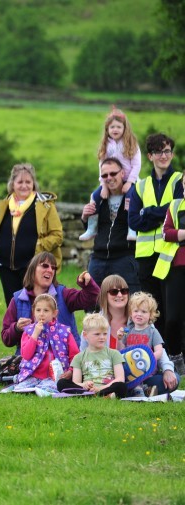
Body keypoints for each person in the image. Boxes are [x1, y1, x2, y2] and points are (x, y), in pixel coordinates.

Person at [128, 133, 183, 350]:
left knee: (172, 309)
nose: (164, 156)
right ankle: (156, 353)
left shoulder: (179, 180)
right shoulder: (141, 186)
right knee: (151, 308)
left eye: (167, 151)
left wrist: (148, 211)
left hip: (169, 253)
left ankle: (173, 352)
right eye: (159, 152)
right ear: (150, 156)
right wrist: (160, 213)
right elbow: (134, 221)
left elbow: (176, 210)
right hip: (145, 255)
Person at [0, 163, 63, 307]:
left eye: (28, 182)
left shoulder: (45, 206)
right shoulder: (3, 206)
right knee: (13, 307)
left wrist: (36, 246)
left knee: (35, 308)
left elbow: (57, 235)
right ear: (12, 184)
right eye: (20, 182)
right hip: (6, 267)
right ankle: (16, 331)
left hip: (34, 267)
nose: (24, 186)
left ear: (34, 184)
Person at [85, 274, 180, 395]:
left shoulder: (142, 321)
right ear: (104, 295)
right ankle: (133, 390)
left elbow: (160, 352)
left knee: (174, 378)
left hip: (143, 374)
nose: (120, 295)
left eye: (124, 291)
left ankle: (128, 391)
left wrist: (167, 370)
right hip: (108, 374)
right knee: (119, 384)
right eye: (114, 292)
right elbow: (85, 352)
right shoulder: (96, 321)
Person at [1, 252, 99, 353]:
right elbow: (6, 338)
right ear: (32, 269)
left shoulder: (63, 294)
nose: (50, 270)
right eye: (45, 266)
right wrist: (17, 328)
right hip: (29, 362)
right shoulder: (18, 299)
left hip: (64, 359)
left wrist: (87, 282)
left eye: (53, 268)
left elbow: (94, 298)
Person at [80, 106, 141, 241]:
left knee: (132, 199)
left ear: (125, 128)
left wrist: (130, 182)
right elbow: (102, 165)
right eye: (112, 127)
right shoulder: (106, 144)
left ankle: (132, 229)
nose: (115, 130)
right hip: (109, 180)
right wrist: (104, 185)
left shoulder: (131, 143)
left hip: (129, 180)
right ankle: (91, 228)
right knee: (95, 196)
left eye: (119, 127)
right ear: (107, 129)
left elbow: (137, 165)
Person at [81, 158, 140, 293]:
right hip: (98, 259)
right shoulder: (98, 197)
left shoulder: (136, 195)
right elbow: (93, 230)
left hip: (125, 258)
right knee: (93, 306)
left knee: (128, 305)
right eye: (104, 175)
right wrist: (85, 217)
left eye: (113, 173)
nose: (109, 178)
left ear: (122, 173)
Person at [12, 294, 79, 394]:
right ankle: (34, 387)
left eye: (46, 310)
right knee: (20, 388)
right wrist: (35, 335)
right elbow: (26, 355)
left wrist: (70, 370)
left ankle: (43, 389)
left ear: (54, 313)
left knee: (49, 387)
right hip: (33, 374)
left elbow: (75, 355)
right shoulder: (29, 331)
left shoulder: (64, 332)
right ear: (33, 312)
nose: (41, 314)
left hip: (56, 376)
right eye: (38, 310)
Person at [153, 174, 185, 375]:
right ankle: (174, 356)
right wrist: (182, 234)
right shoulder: (174, 205)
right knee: (172, 318)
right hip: (174, 268)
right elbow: (166, 232)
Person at [57, 314, 127, 399]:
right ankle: (89, 394)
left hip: (106, 388)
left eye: (104, 334)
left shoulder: (114, 354)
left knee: (121, 386)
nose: (102, 337)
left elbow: (120, 378)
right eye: (97, 334)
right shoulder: (78, 357)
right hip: (87, 389)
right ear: (85, 335)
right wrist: (84, 385)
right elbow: (76, 382)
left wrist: (99, 388)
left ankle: (100, 394)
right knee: (61, 383)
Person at [118, 291, 164, 397]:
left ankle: (140, 389)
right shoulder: (127, 331)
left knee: (158, 380)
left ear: (151, 315)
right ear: (131, 313)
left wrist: (150, 358)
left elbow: (159, 351)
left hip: (147, 370)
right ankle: (146, 390)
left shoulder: (153, 331)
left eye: (143, 311)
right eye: (136, 311)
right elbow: (121, 351)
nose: (139, 314)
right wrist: (120, 339)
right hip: (129, 369)